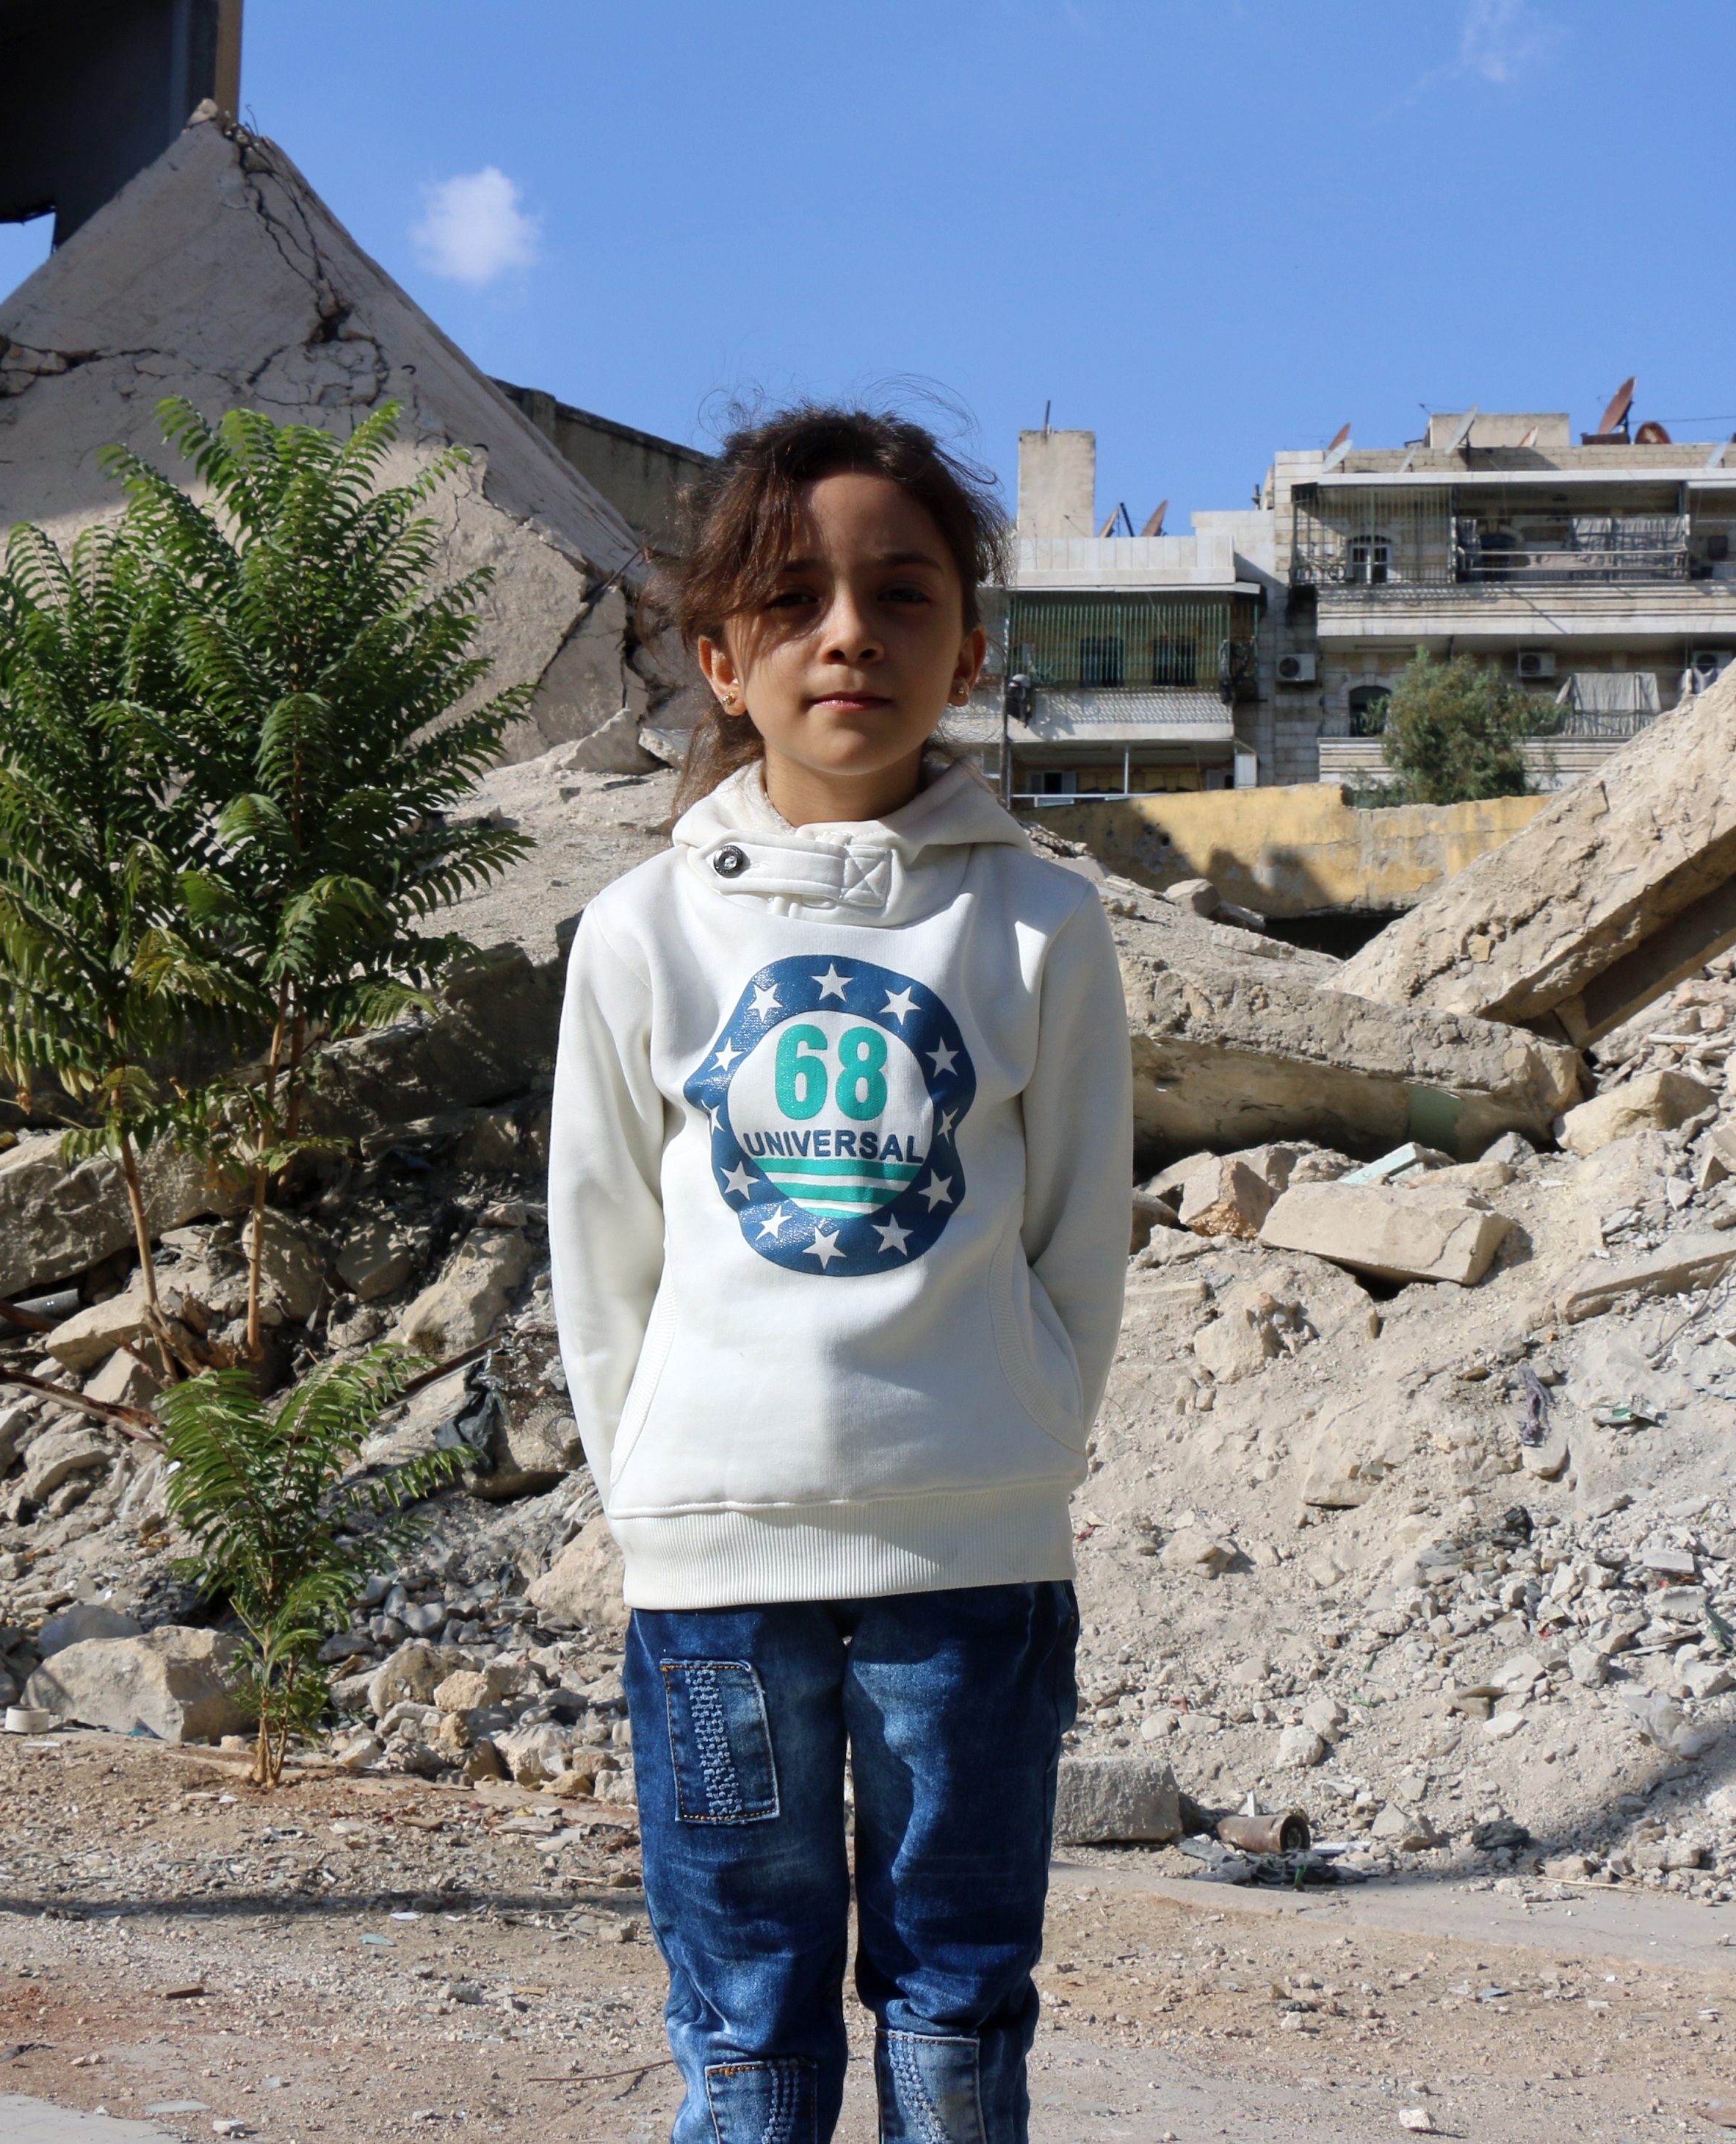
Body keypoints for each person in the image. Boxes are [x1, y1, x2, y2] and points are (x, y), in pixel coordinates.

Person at [548, 405, 1131, 2143]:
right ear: (721, 659)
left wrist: (1016, 1440)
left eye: (898, 593)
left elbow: (1078, 1238)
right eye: (793, 600)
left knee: (956, 1985)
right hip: (715, 1572)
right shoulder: (640, 930)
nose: (848, 634)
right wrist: (653, 1481)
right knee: (746, 1988)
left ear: (967, 644)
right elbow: (601, 1246)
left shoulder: (1041, 922)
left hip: (972, 1560)